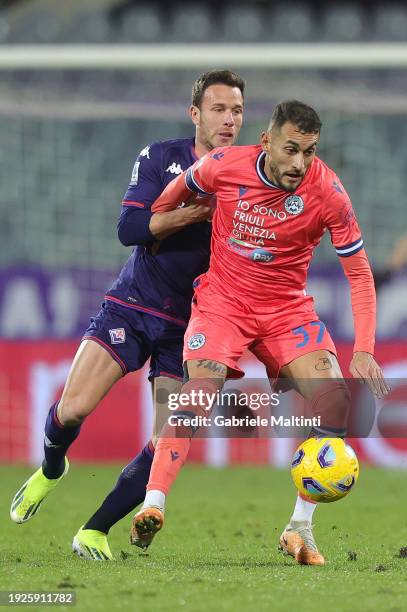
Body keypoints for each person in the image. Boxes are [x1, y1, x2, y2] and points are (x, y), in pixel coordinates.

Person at [131, 100, 390, 566]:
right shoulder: (222, 166)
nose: (300, 163)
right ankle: (153, 504)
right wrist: (166, 227)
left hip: (286, 310)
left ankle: (300, 529)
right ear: (267, 141)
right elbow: (168, 198)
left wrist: (364, 351)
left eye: (309, 151)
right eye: (291, 149)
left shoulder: (328, 191)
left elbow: (361, 275)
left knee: (335, 401)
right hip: (223, 305)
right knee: (197, 392)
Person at [10, 69, 245, 560]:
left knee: (167, 441)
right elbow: (130, 227)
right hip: (133, 304)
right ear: (196, 113)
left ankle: (94, 530)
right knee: (73, 408)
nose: (228, 120)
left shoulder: (248, 174)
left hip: (193, 327)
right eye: (219, 109)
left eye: (237, 110)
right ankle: (53, 467)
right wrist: (189, 213)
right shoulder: (162, 156)